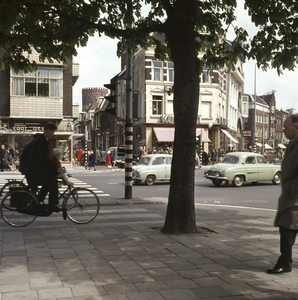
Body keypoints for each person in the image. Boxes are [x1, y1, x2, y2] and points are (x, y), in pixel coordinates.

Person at [267, 115, 298, 275]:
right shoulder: (292, 145)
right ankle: (285, 262)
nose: (284, 130)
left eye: (286, 128)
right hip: (291, 198)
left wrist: (291, 188)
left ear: (296, 128)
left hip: (295, 200)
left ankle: (285, 263)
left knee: (287, 229)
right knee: (287, 229)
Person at [26, 122, 64, 213]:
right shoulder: (42, 141)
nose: (53, 135)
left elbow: (44, 159)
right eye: (52, 132)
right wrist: (55, 169)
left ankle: (37, 201)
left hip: (34, 169)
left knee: (49, 182)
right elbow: (44, 159)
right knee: (53, 181)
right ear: (47, 131)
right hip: (35, 171)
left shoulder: (42, 140)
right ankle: (52, 206)